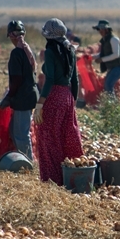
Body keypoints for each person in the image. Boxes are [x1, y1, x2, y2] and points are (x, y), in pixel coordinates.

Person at [35, 18, 84, 184]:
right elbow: (75, 79)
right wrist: (73, 101)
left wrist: (40, 103)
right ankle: (73, 174)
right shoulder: (70, 49)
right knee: (66, 135)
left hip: (54, 96)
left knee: (48, 137)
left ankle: (53, 179)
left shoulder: (50, 51)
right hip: (67, 96)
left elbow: (49, 80)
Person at [0, 20, 40, 160]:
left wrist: (9, 97)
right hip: (30, 94)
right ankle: (22, 158)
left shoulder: (17, 53)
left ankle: (28, 162)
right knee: (16, 131)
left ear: (10, 36)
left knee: (21, 134)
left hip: (23, 97)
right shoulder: (27, 50)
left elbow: (16, 80)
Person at [94, 20, 120, 96]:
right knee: (107, 85)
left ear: (107, 30)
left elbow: (116, 55)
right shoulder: (105, 40)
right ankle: (110, 104)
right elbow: (102, 54)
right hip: (112, 68)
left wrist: (102, 60)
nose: (99, 31)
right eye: (98, 29)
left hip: (118, 68)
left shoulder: (114, 39)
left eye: (101, 29)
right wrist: (90, 57)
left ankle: (112, 105)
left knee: (108, 85)